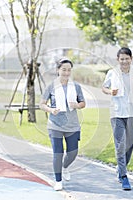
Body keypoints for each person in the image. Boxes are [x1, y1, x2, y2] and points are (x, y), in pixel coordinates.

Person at [102, 47, 133, 190]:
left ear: (131, 59)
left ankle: (120, 168)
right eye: (121, 59)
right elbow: (104, 88)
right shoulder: (112, 73)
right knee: (120, 145)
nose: (124, 61)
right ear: (118, 60)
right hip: (116, 113)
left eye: (127, 59)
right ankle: (123, 176)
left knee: (129, 145)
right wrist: (110, 91)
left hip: (132, 113)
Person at [39, 57, 86, 191]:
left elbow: (83, 103)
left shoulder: (76, 86)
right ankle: (58, 180)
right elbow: (41, 104)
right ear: (58, 70)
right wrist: (50, 109)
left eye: (69, 70)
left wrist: (76, 105)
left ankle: (65, 167)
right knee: (57, 153)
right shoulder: (51, 86)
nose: (66, 73)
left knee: (73, 152)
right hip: (55, 125)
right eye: (63, 69)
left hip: (72, 125)